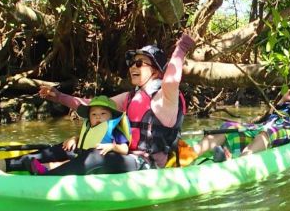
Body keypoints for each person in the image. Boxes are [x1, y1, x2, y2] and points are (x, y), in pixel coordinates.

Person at [38, 32, 196, 172]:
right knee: (69, 148)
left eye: (140, 63)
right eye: (132, 63)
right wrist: (59, 97)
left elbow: (171, 81)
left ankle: (45, 177)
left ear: (155, 71)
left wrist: (182, 48)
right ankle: (21, 163)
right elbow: (92, 105)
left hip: (147, 164)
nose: (133, 67)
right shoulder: (130, 97)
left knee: (95, 156)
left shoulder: (165, 97)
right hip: (124, 153)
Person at [0, 95, 131, 175]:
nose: (98, 117)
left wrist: (112, 146)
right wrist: (74, 139)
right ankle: (3, 164)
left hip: (100, 158)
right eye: (94, 114)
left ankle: (45, 173)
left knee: (78, 159)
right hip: (81, 152)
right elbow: (85, 139)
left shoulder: (115, 130)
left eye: (103, 114)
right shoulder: (90, 125)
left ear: (111, 116)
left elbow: (124, 149)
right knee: (59, 148)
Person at [191, 86, 290, 161]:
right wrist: (283, 99)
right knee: (228, 128)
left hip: (287, 128)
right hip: (270, 121)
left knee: (268, 131)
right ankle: (189, 156)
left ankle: (239, 162)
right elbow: (273, 112)